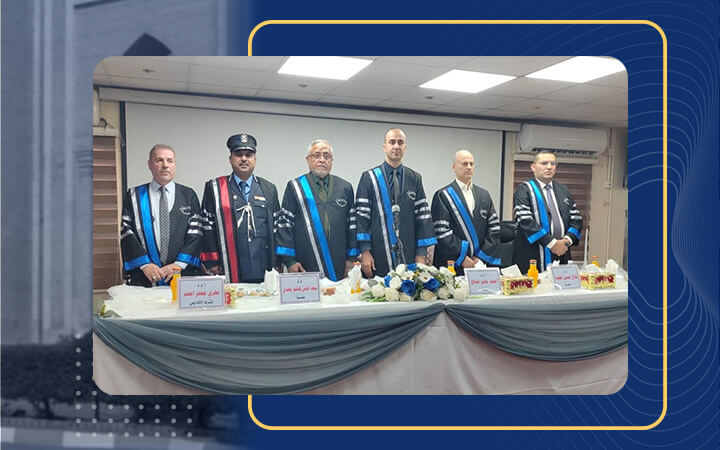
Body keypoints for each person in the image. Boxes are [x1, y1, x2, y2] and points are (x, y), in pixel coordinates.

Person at [355, 128, 437, 277]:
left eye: (400, 142)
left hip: (409, 253)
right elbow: (362, 217)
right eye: (392, 142)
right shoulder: (369, 178)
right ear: (384, 146)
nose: (396, 146)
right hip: (378, 254)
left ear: (405, 147)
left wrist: (421, 253)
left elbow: (422, 218)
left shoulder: (415, 178)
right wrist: (365, 251)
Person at [200, 133, 280, 283]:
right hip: (229, 265)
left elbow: (277, 228)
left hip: (263, 265)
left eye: (248, 154)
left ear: (255, 159)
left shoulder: (269, 188)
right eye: (238, 154)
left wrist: (279, 260)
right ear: (230, 158)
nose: (244, 158)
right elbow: (207, 227)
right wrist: (212, 262)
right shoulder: (215, 188)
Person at [120, 144, 203, 286]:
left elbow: (196, 233)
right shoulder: (134, 196)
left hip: (181, 275)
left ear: (175, 165)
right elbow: (126, 231)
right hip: (145, 276)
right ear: (149, 165)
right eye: (159, 160)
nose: (165, 165)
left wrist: (179, 264)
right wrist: (145, 265)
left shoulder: (188, 195)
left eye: (170, 161)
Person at [275, 139, 358, 281]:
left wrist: (351, 258)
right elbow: (285, 225)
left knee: (338, 294)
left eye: (326, 156)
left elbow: (352, 226)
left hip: (338, 262)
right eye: (317, 155)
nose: (322, 160)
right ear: (308, 160)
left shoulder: (345, 187)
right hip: (304, 263)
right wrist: (290, 261)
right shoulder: (295, 187)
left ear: (331, 160)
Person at [512, 150, 583, 273]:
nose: (549, 167)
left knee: (562, 282)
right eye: (544, 163)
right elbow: (525, 221)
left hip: (562, 251)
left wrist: (566, 241)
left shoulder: (563, 190)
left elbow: (576, 219)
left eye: (553, 163)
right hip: (534, 253)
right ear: (533, 167)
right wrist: (552, 243)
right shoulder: (525, 190)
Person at [431, 150, 501, 275]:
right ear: (454, 167)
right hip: (452, 264)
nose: (469, 167)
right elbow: (442, 232)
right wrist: (462, 257)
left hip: (480, 264)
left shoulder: (484, 195)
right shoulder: (443, 195)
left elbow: (494, 228)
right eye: (464, 164)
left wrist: (480, 257)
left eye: (471, 164)